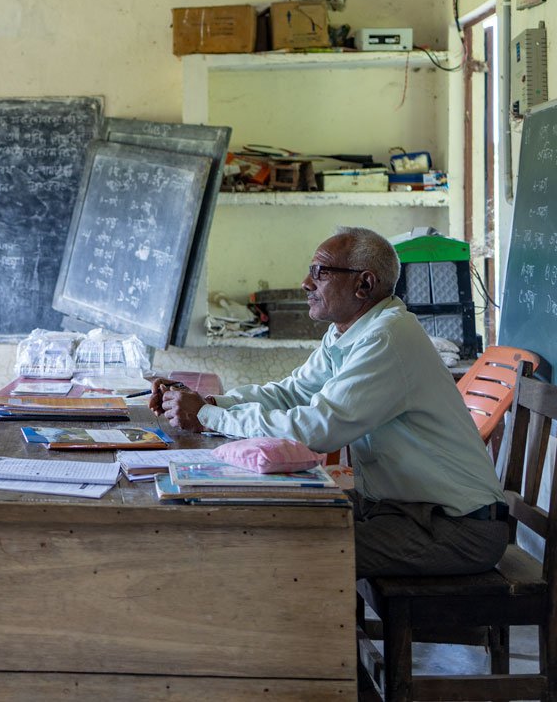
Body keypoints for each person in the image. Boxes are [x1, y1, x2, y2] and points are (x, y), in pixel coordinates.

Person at [152, 227, 509, 579]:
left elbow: (315, 430)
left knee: (293, 549)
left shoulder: (387, 338)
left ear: (364, 284)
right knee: (269, 521)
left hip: (456, 528)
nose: (306, 283)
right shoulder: (349, 332)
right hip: (400, 511)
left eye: (320, 272)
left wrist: (207, 416)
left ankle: (318, 637)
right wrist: (210, 402)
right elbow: (290, 392)